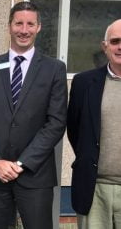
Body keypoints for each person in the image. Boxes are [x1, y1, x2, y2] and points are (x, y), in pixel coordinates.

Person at [0, 1, 67, 229]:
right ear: (9, 26)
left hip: (35, 175)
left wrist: (22, 163)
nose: (24, 30)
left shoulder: (54, 69)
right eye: (18, 23)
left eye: (30, 24)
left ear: (39, 27)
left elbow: (56, 122)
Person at [67, 19, 121, 229]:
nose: (120, 46)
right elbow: (75, 129)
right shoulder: (83, 83)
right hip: (94, 190)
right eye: (115, 41)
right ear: (104, 46)